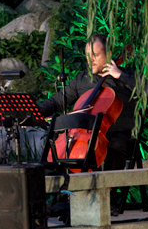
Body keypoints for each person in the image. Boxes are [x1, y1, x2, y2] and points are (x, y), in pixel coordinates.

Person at [38, 34, 138, 172]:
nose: (90, 60)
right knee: (57, 150)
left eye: (95, 55)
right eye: (87, 56)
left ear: (108, 54)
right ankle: (61, 190)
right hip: (84, 135)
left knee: (115, 146)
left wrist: (120, 75)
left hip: (116, 135)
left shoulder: (124, 77)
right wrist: (33, 113)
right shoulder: (82, 79)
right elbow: (57, 101)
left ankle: (110, 191)